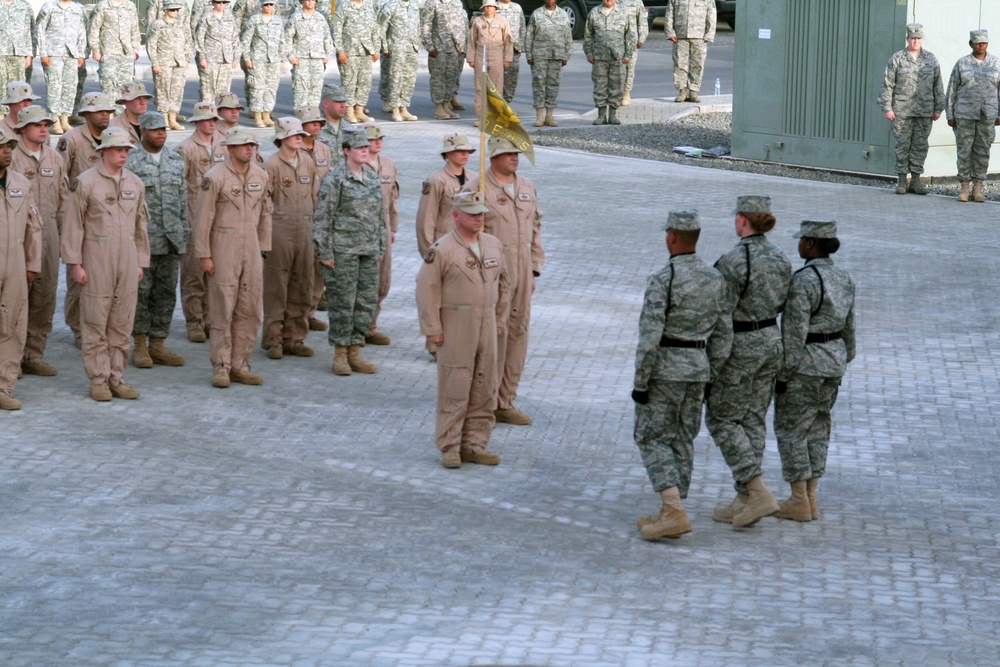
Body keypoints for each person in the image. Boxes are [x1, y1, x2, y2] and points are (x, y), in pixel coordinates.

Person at [631, 210, 731, 540]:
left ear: (671, 237)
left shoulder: (664, 279)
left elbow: (649, 337)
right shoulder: (715, 279)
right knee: (683, 437)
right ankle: (674, 507)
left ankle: (673, 509)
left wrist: (641, 382)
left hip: (665, 371)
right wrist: (710, 372)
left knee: (652, 436)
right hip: (697, 368)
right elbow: (723, 334)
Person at [704, 195, 791, 528]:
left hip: (740, 345)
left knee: (722, 419)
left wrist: (713, 362)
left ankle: (756, 490)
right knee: (753, 418)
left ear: (742, 220)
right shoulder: (781, 258)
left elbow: (720, 313)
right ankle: (744, 500)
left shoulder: (732, 261)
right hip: (772, 340)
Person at [416, 191, 509, 468]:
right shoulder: (442, 249)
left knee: (485, 386)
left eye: (481, 213)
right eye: (472, 213)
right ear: (456, 215)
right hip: (456, 324)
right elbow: (426, 290)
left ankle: (475, 444)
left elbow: (505, 284)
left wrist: (500, 319)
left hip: (487, 324)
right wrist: (432, 329)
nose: (479, 218)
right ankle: (450, 446)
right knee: (455, 387)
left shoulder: (493, 245)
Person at [774, 220, 855, 522]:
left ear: (810, 244)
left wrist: (783, 374)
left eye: (801, 240)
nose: (798, 244)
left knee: (792, 430)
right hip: (833, 362)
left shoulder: (804, 280)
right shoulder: (844, 277)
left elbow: (794, 333)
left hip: (805, 365)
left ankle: (797, 499)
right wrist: (844, 357)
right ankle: (810, 497)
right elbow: (850, 327)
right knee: (819, 429)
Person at [61, 126, 150, 401]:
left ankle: (117, 377)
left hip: (127, 259)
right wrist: (75, 263)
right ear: (104, 151)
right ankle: (98, 379)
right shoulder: (85, 182)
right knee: (96, 320)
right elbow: (73, 225)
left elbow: (141, 225)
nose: (123, 154)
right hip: (96, 258)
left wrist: (140, 262)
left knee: (122, 322)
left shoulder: (135, 183)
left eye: (126, 150)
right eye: (118, 150)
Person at [464, 137, 543, 425]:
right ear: (492, 158)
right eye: (507, 154)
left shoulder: (526, 187)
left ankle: (505, 401)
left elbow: (535, 227)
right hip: (491, 275)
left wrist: (534, 267)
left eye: (516, 154)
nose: (514, 158)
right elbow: (461, 235)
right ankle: (482, 401)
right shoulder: (476, 189)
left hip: (521, 273)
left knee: (517, 334)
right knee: (491, 338)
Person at [193, 128, 271, 388]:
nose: (250, 149)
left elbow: (265, 214)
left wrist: (263, 248)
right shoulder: (214, 177)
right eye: (244, 145)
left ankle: (241, 364)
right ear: (230, 148)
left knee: (249, 310)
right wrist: (204, 254)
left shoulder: (261, 175)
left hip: (251, 250)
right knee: (223, 310)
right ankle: (221, 366)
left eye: (253, 145)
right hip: (223, 248)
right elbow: (203, 219)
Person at [313, 130, 386, 376]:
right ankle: (340, 353)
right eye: (359, 148)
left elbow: (380, 216)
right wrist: (325, 252)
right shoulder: (335, 180)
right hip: (342, 251)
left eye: (367, 147)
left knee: (365, 302)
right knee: (343, 303)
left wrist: (381, 246)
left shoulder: (373, 178)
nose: (365, 150)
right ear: (346, 151)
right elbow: (323, 218)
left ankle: (355, 350)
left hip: (368, 249)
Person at [125, 112, 189, 369]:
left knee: (165, 294)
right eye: (154, 130)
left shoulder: (175, 160)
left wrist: (184, 232)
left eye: (163, 129)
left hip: (171, 238)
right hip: (144, 240)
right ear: (143, 133)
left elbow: (183, 200)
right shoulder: (132, 162)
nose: (161, 133)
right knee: (141, 294)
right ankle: (140, 344)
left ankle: (158, 343)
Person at [11, 106, 68, 379]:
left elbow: (63, 201)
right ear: (22, 129)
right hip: (16, 238)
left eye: (46, 124)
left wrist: (64, 238)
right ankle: (11, 357)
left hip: (49, 238)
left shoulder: (54, 159)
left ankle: (33, 355)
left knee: (44, 299)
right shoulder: (10, 157)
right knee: (14, 299)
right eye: (37, 125)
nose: (44, 129)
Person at [57, 92, 117, 349]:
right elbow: (60, 181)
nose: (105, 115)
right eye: (99, 111)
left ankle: (101, 327)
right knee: (77, 277)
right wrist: (65, 218)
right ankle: (79, 329)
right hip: (78, 216)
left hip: (107, 218)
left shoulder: (114, 139)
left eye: (108, 111)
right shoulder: (70, 140)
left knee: (104, 277)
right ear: (86, 114)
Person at [261, 116, 316, 360]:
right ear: (281, 138)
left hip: (305, 230)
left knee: (302, 284)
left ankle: (295, 337)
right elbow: (263, 204)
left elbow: (314, 197)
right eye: (294, 134)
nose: (299, 138)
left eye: (300, 135)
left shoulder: (308, 162)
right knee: (277, 287)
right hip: (279, 232)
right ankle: (273, 339)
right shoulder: (270, 165)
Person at [175, 100, 227, 343]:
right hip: (193, 220)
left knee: (215, 274)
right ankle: (194, 322)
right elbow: (177, 187)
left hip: (220, 220)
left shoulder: (224, 146)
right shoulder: (185, 149)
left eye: (215, 119)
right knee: (193, 276)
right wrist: (184, 221)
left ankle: (210, 319)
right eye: (207, 120)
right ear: (196, 122)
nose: (212, 124)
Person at [0, 126, 41, 410]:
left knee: (12, 325)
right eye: (2, 147)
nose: (6, 152)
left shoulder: (21, 183)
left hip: (15, 262)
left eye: (9, 147)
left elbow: (33, 226)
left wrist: (32, 263)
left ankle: (3, 385)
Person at [877, 23, 944, 196]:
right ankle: (901, 180)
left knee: (920, 146)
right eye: (912, 38)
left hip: (924, 111)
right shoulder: (897, 58)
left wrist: (938, 108)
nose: (915, 41)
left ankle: (915, 180)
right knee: (902, 145)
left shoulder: (931, 59)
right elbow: (887, 84)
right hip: (902, 112)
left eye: (918, 38)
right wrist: (887, 108)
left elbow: (938, 85)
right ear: (907, 39)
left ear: (922, 39)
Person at [946, 29, 1000, 203]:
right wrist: (950, 114)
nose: (981, 45)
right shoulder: (962, 64)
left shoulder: (996, 64)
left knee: (983, 151)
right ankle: (964, 187)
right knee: (964, 151)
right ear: (971, 44)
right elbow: (952, 90)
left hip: (987, 115)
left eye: (984, 43)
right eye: (977, 43)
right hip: (964, 115)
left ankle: (978, 188)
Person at [295, 105, 331, 334]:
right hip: (300, 216)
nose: (316, 125)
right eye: (311, 122)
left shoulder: (324, 150)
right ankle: (296, 315)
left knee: (319, 268)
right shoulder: (293, 151)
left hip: (323, 215)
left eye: (318, 122)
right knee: (300, 267)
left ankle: (310, 311)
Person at [363, 123, 398, 346]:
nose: (377, 142)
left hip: (383, 225)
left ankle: (371, 326)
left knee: (382, 280)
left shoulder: (388, 165)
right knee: (363, 279)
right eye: (372, 139)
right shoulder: (357, 164)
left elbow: (392, 199)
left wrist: (392, 227)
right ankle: (359, 326)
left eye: (380, 138)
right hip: (362, 227)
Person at [416, 132, 476, 257]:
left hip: (469, 245)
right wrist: (429, 252)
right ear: (447, 153)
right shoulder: (436, 180)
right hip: (444, 245)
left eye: (467, 151)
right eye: (460, 150)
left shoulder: (474, 179)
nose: (465, 154)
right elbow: (426, 218)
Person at [34, 0, 88, 135]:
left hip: (72, 54)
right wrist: (43, 53)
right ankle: (54, 120)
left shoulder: (78, 8)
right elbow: (40, 29)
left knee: (70, 86)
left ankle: (65, 118)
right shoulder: (49, 7)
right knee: (54, 86)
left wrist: (81, 53)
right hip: (53, 53)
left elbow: (82, 31)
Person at [583, 0, 635, 126]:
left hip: (618, 57)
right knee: (600, 86)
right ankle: (601, 115)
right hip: (599, 57)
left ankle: (612, 114)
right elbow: (588, 35)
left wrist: (628, 55)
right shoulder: (594, 13)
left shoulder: (624, 13)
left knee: (616, 86)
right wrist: (589, 54)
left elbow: (631, 35)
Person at [331, 0, 381, 124]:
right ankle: (349, 111)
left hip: (366, 51)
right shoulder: (344, 6)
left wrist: (375, 49)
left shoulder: (368, 7)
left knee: (364, 82)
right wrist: (340, 51)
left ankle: (359, 110)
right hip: (349, 51)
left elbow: (375, 29)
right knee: (349, 82)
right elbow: (336, 30)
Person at [87, 0, 142, 112]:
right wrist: (95, 50)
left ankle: (122, 114)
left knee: (126, 85)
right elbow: (94, 29)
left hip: (126, 52)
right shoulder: (103, 6)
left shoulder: (130, 6)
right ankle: (110, 113)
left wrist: (135, 49)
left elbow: (135, 29)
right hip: (108, 51)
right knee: (109, 84)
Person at [524, 0, 572, 127]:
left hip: (556, 55)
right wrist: (529, 54)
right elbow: (529, 35)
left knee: (553, 85)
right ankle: (539, 116)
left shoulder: (563, 14)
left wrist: (566, 54)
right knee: (538, 84)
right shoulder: (537, 13)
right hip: (539, 55)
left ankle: (549, 116)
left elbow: (568, 36)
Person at [147, 0, 193, 131]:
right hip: (164, 62)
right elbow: (151, 45)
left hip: (179, 62)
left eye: (177, 10)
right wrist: (155, 63)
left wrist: (187, 59)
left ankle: (173, 118)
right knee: (162, 90)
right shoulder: (157, 25)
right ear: (165, 10)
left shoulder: (181, 25)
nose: (175, 12)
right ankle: (163, 118)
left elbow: (187, 43)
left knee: (177, 90)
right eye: (172, 10)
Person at [241, 0, 285, 128]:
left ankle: (266, 114)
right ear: (261, 6)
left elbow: (282, 41)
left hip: (273, 59)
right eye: (266, 4)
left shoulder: (277, 21)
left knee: (271, 88)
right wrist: (247, 58)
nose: (269, 7)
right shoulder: (254, 20)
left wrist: (281, 59)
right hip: (257, 59)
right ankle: (258, 116)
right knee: (257, 87)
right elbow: (245, 40)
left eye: (271, 4)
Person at [467, 0, 512, 126]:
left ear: (495, 8)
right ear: (483, 8)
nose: (489, 9)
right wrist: (471, 58)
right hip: (481, 55)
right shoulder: (478, 21)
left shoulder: (502, 21)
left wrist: (508, 58)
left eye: (491, 6)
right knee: (481, 88)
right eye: (486, 6)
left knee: (496, 87)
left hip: (497, 54)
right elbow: (471, 40)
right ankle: (482, 118)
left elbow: (508, 41)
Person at [420, 0, 467, 120]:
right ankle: (439, 108)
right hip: (439, 48)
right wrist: (430, 47)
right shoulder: (432, 3)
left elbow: (461, 25)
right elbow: (425, 24)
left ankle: (446, 105)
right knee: (438, 78)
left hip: (454, 49)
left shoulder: (457, 3)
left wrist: (461, 46)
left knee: (451, 77)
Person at [664, 0, 716, 103]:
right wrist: (670, 32)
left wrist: (709, 34)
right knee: (680, 64)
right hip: (680, 35)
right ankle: (682, 91)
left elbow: (712, 15)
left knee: (697, 65)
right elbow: (669, 14)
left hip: (699, 36)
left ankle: (693, 91)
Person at [284, 0, 333, 110]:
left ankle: (313, 112)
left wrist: (328, 54)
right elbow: (287, 38)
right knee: (300, 87)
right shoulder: (295, 18)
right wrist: (291, 56)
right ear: (302, 1)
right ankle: (301, 113)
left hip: (318, 59)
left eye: (313, 0)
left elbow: (327, 37)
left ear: (316, 2)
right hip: (301, 58)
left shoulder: (320, 18)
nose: (310, 1)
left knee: (316, 87)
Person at [380, 0, 421, 122]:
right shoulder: (390, 6)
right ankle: (395, 109)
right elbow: (381, 27)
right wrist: (385, 47)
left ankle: (404, 108)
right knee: (395, 78)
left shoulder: (414, 6)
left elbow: (418, 26)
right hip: (397, 48)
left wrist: (417, 42)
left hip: (412, 47)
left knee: (409, 79)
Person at [195, 0, 242, 104]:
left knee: (224, 89)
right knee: (208, 88)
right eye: (218, 2)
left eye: (224, 2)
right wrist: (202, 57)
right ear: (213, 3)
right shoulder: (206, 17)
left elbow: (235, 39)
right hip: (210, 57)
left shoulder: (230, 18)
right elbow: (199, 38)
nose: (221, 4)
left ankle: (221, 114)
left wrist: (236, 58)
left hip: (227, 57)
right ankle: (207, 113)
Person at [0, 0, 34, 119]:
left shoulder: (24, 6)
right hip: (1, 51)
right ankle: (1, 115)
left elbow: (29, 30)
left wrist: (29, 54)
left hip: (19, 51)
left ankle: (16, 115)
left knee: (17, 86)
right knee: (1, 84)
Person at [315, 84, 353, 169]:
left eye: (344, 102)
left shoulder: (350, 130)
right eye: (338, 102)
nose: (343, 106)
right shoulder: (316, 129)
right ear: (326, 103)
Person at [496, 0, 525, 103]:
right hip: (496, 49)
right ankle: (495, 106)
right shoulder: (493, 7)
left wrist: (520, 46)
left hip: (513, 49)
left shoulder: (517, 8)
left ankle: (506, 105)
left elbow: (522, 28)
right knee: (495, 79)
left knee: (511, 79)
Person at [619, 0, 647, 107]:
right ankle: (615, 93)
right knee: (614, 69)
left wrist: (641, 38)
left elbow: (642, 21)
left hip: (631, 42)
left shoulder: (636, 2)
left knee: (629, 69)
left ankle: (626, 93)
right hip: (614, 41)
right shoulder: (612, 1)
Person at [110, 81, 153, 146]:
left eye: (144, 98)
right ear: (125, 101)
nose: (143, 103)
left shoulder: (152, 124)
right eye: (137, 99)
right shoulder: (113, 127)